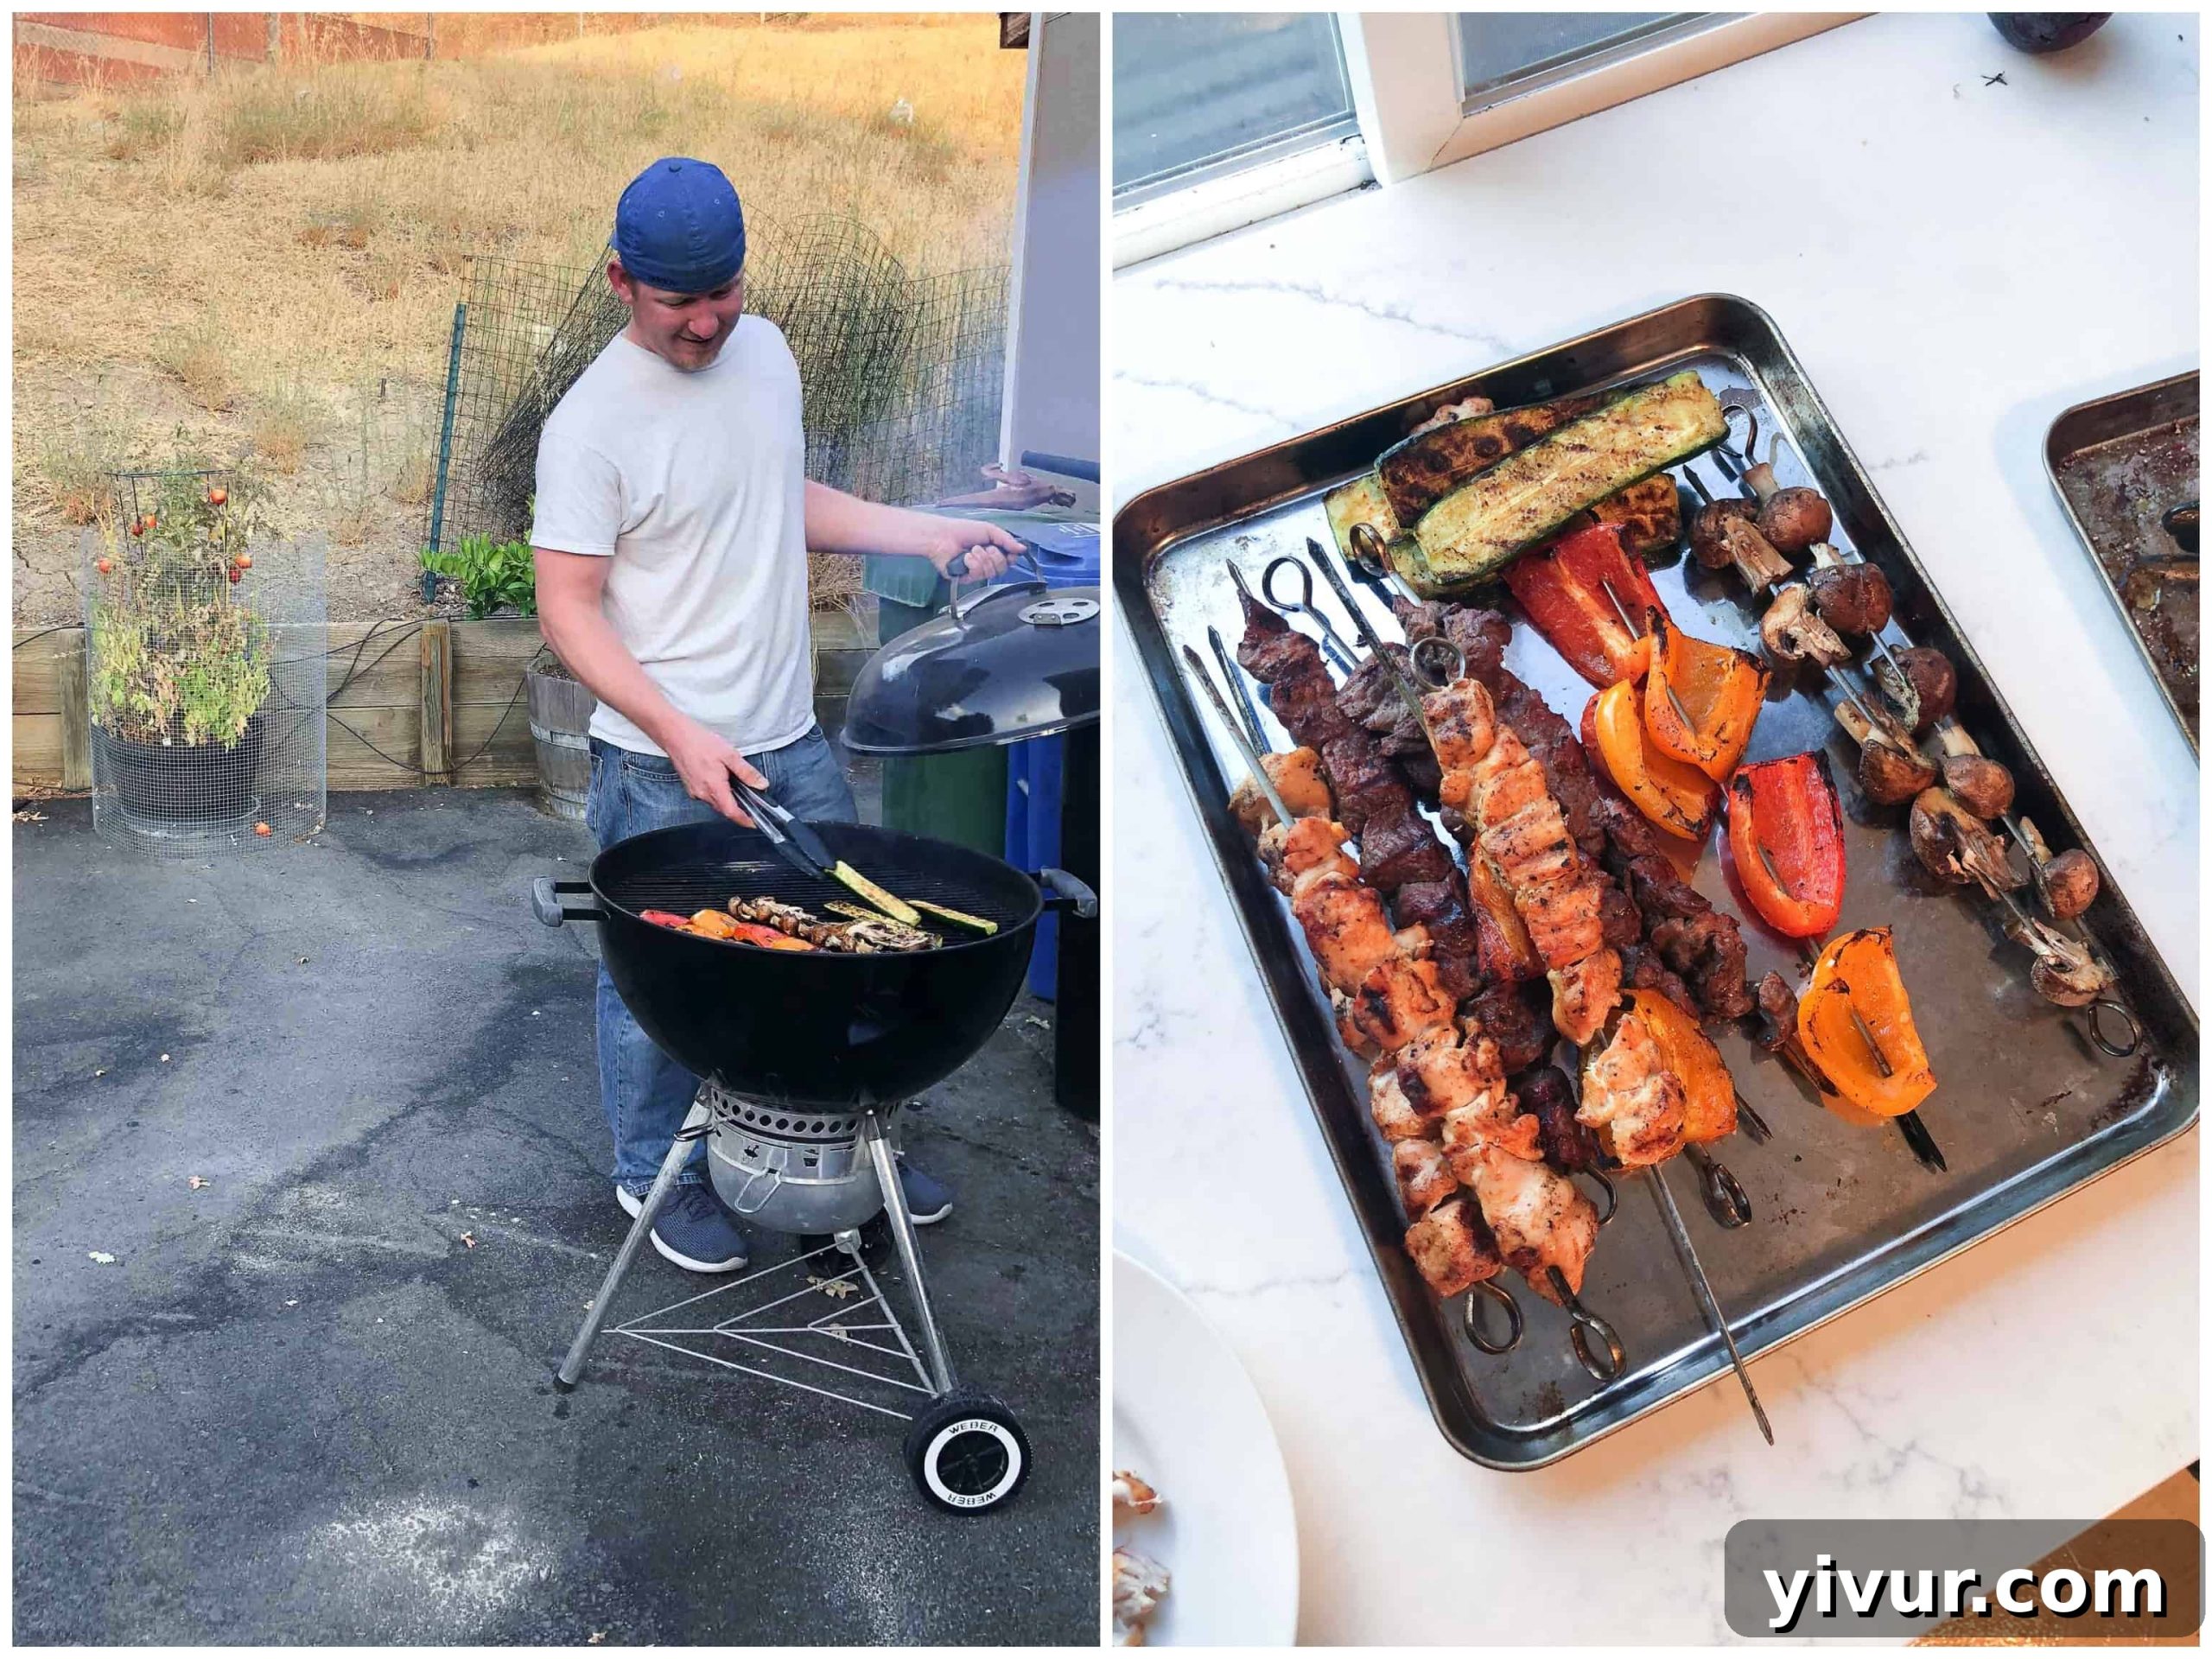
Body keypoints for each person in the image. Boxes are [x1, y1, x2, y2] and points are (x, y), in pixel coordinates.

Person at [531, 156, 1024, 1274]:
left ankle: (843, 1160)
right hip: (664, 764)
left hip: (789, 736)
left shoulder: (768, 352)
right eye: (678, 303)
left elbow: (778, 496)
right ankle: (656, 1173)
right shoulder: (591, 427)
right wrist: (674, 730)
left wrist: (926, 532)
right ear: (622, 281)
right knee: (663, 977)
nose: (707, 323)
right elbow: (567, 609)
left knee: (842, 957)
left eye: (723, 293)